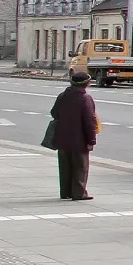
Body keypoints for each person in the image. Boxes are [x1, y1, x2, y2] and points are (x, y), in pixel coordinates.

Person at [50, 70, 98, 201]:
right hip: (79, 139)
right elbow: (90, 121)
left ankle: (65, 192)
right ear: (86, 83)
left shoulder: (62, 95)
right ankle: (79, 193)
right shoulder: (85, 98)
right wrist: (91, 140)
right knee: (80, 167)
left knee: (65, 166)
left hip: (62, 137)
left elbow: (54, 113)